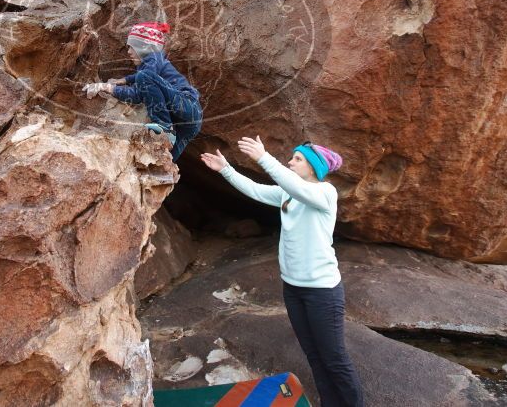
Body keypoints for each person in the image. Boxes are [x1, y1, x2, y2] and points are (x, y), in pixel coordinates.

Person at [200, 137, 364, 407]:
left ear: (313, 167)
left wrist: (264, 158)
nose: (290, 161)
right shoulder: (288, 194)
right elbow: (255, 190)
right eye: (292, 158)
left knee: (334, 358)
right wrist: (226, 169)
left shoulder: (325, 193)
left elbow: (296, 186)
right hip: (293, 289)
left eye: (297, 159)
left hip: (322, 292)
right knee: (313, 354)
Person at [83, 22, 202, 161]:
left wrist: (107, 87)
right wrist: (124, 80)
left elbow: (138, 94)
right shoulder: (155, 61)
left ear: (143, 47)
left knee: (143, 77)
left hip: (188, 105)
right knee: (164, 160)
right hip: (190, 122)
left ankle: (164, 127)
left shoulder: (152, 58)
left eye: (132, 47)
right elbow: (145, 78)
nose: (128, 52)